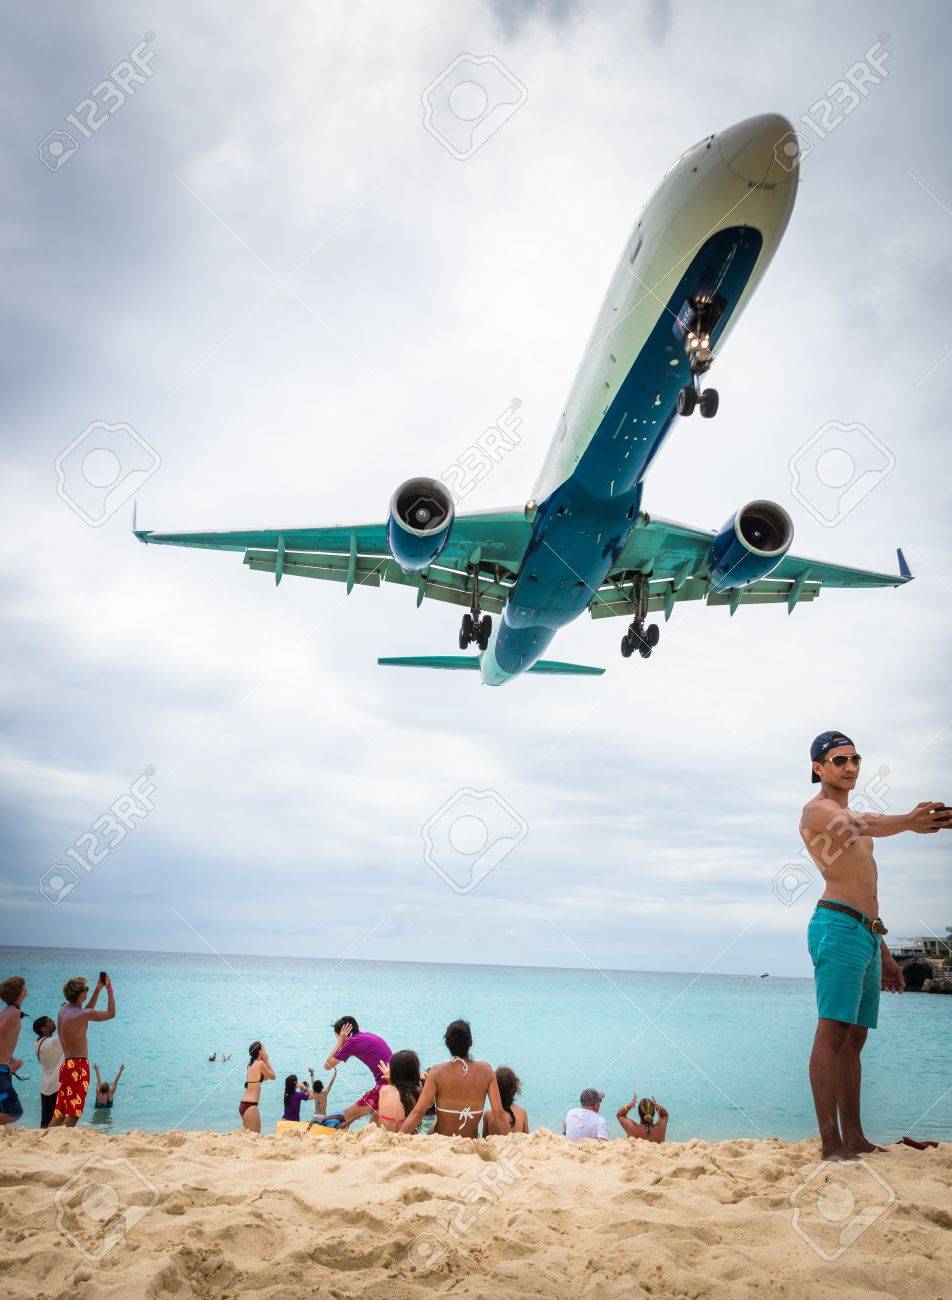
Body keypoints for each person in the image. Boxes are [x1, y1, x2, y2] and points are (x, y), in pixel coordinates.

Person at [800, 730, 952, 1161]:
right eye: (839, 760)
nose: (850, 767)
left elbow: (868, 887)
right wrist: (908, 821)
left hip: (866, 932)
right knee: (832, 1031)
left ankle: (856, 1138)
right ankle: (830, 1142)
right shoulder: (817, 811)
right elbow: (857, 822)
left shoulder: (864, 828)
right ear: (818, 768)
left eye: (855, 760)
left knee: (855, 1038)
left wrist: (883, 950)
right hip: (836, 925)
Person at [399, 1020, 509, 1137]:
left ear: (447, 1044)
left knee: (431, 1128)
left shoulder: (436, 1072)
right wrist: (513, 1143)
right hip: (470, 1141)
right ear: (470, 1042)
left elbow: (418, 1112)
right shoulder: (487, 1071)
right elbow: (499, 1114)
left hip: (442, 1141)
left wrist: (398, 1137)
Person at [49, 973, 116, 1128]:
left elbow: (85, 1011)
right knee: (73, 1113)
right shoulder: (83, 1014)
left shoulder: (64, 1009)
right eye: (86, 989)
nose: (87, 990)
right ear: (80, 996)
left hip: (66, 1066)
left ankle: (45, 1138)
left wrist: (98, 989)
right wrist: (109, 989)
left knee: (60, 1112)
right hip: (78, 1067)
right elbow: (111, 1013)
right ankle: (65, 1142)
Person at [323, 1017, 392, 1128]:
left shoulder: (351, 1042)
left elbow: (327, 1065)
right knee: (373, 1121)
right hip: (395, 1078)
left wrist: (339, 1043)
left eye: (337, 1036)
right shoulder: (367, 1035)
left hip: (387, 1082)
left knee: (348, 1114)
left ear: (341, 1034)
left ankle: (335, 1125)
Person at [0, 976, 27, 1126]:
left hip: (4, 1069)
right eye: (24, 987)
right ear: (20, 993)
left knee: (5, 1109)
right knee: (14, 1111)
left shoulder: (8, 1010)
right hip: (1, 1069)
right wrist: (11, 1058)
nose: (26, 989)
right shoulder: (13, 1012)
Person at [375, 1050, 424, 1131]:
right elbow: (431, 1103)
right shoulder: (418, 1091)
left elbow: (398, 1090)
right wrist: (424, 1080)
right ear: (414, 1071)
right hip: (405, 1136)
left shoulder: (383, 1090)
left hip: (384, 1135)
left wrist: (390, 1078)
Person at [33, 1016, 64, 1129]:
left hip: (45, 1087)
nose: (54, 1022)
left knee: (45, 1122)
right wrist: (63, 1013)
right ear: (44, 1029)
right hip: (56, 1086)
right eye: (50, 1021)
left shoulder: (37, 1044)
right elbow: (65, 1030)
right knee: (57, 1122)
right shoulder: (52, 1043)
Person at [239, 1041, 275, 1132]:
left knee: (248, 1136)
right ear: (260, 1052)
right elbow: (273, 1077)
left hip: (244, 1104)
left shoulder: (250, 1065)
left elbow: (266, 1077)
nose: (265, 1051)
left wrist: (264, 1061)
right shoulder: (260, 1064)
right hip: (251, 1106)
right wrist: (267, 1060)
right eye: (264, 1049)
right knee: (256, 1135)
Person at [482, 1066, 528, 1135]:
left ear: (494, 1090)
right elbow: (527, 1140)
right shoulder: (522, 1113)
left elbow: (485, 1141)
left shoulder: (488, 1115)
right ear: (516, 1088)